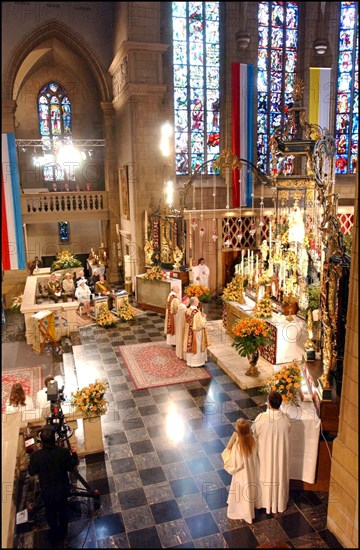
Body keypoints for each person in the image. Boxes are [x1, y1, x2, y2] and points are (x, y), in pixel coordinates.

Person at [28, 427, 78, 544]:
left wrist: (32, 459)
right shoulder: (63, 452)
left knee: (50, 513)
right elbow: (71, 467)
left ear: (41, 441)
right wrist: (74, 454)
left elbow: (31, 471)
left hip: (47, 491)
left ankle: (55, 532)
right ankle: (63, 534)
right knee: (63, 512)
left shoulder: (36, 456)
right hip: (62, 489)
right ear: (54, 439)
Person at [252, 390, 292, 514]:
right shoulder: (286, 419)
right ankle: (278, 503)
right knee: (278, 476)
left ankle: (264, 501)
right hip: (280, 457)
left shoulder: (261, 418)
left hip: (265, 456)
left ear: (269, 403)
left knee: (265, 475)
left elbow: (253, 433)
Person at [226, 418, 260, 524]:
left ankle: (242, 511)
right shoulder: (253, 440)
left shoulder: (238, 446)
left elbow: (237, 464)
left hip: (241, 474)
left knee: (241, 493)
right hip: (252, 471)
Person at [183, 296, 209, 367]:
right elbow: (200, 325)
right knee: (197, 345)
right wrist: (204, 318)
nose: (198, 302)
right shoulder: (196, 312)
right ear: (194, 303)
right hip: (196, 333)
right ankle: (196, 362)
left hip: (189, 331)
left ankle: (190, 361)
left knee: (190, 345)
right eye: (197, 301)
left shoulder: (188, 310)